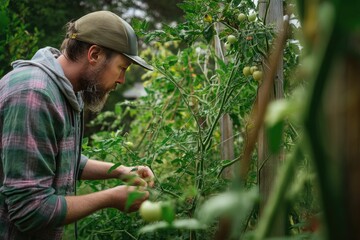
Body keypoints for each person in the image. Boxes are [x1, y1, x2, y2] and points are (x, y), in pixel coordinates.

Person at [0, 10, 155, 239]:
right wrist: (110, 198)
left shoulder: (68, 92)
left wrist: (121, 171)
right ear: (95, 54)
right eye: (121, 68)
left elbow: (62, 158)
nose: (121, 80)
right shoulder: (35, 94)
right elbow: (29, 210)